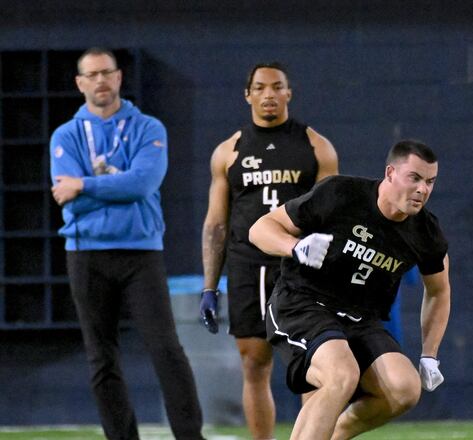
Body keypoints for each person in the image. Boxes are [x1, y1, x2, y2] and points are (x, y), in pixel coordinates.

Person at [49, 47, 204, 440]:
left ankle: (189, 435)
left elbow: (143, 183)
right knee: (101, 358)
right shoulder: (65, 136)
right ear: (80, 84)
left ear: (118, 78)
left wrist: (84, 184)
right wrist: (117, 185)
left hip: (140, 252)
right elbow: (68, 191)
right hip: (85, 255)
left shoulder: (149, 128)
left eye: (107, 73)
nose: (101, 80)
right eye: (92, 75)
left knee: (166, 350)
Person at [248, 140, 451, 440]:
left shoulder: (426, 232)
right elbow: (260, 228)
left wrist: (430, 354)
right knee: (341, 375)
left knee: (404, 388)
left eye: (430, 181)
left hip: (359, 319)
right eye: (415, 178)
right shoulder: (341, 193)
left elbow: (438, 291)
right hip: (302, 304)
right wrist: (295, 247)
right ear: (390, 173)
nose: (423, 190)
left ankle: (336, 433)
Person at [198, 62, 338, 440]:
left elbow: (332, 217)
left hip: (299, 266)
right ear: (248, 95)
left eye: (277, 87)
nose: (269, 94)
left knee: (311, 365)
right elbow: (216, 223)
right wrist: (210, 286)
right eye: (260, 87)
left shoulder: (316, 146)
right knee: (254, 363)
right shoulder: (228, 151)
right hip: (248, 267)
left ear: (289, 93)